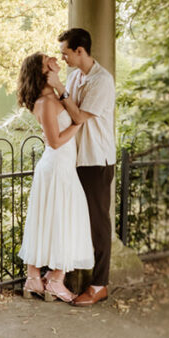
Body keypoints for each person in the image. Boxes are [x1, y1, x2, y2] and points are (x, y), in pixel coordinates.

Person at [46, 27, 117, 307]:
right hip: (75, 159)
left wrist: (60, 88)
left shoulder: (102, 81)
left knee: (98, 224)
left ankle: (100, 284)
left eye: (65, 53)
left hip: (96, 160)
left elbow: (77, 117)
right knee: (75, 219)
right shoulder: (76, 76)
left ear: (80, 50)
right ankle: (63, 274)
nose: (63, 57)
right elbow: (64, 109)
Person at [16, 53, 94, 303]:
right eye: (49, 60)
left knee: (55, 219)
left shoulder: (56, 96)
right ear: (43, 71)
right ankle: (54, 281)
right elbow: (56, 142)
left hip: (61, 168)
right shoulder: (46, 102)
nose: (55, 60)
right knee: (63, 219)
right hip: (57, 167)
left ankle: (36, 279)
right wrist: (78, 124)